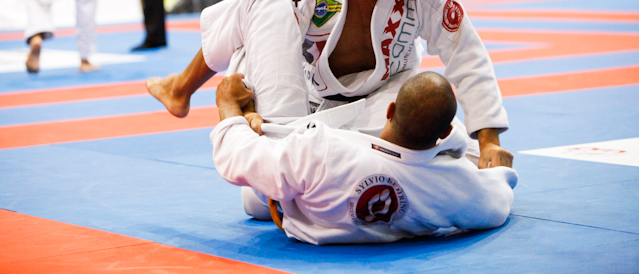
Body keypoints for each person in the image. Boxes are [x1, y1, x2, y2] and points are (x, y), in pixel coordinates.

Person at [147, 0, 514, 170]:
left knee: (464, 157)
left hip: (382, 106)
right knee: (263, 196)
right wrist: (249, 109)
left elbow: (467, 55)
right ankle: (181, 87)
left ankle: (180, 87)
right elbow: (261, 46)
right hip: (308, 106)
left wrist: (489, 142)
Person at [212, 71, 518, 245]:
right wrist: (501, 174)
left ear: (390, 110)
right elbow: (496, 204)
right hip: (306, 195)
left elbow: (236, 157)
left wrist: (228, 105)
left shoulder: (322, 149)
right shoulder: (453, 185)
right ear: (445, 132)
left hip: (285, 198)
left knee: (254, 194)